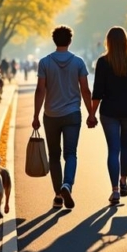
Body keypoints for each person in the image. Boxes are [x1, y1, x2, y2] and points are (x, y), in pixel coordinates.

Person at [88, 27, 127, 205]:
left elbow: (98, 91)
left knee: (113, 149)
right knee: (125, 146)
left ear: (108, 42)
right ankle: (123, 181)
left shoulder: (102, 62)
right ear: (126, 41)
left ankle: (115, 190)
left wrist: (92, 113)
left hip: (109, 111)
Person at [33, 25, 92, 210]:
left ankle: (58, 196)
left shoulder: (45, 62)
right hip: (73, 114)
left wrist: (35, 115)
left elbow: (40, 90)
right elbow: (85, 89)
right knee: (71, 154)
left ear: (54, 40)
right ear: (70, 41)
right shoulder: (78, 62)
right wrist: (91, 113)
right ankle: (67, 185)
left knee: (54, 156)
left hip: (51, 115)